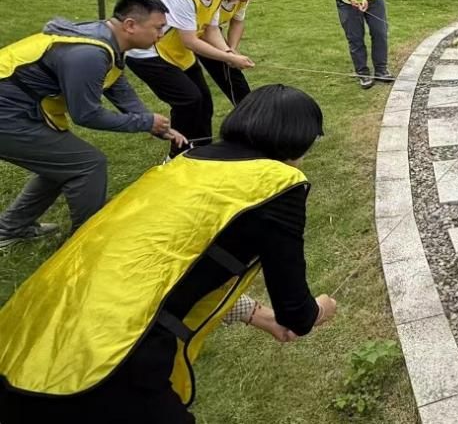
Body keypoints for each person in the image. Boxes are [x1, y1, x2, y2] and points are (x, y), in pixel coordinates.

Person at [0, 84, 339, 424]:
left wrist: (257, 315)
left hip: (22, 337)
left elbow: (171, 263)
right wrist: (318, 310)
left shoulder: (186, 165)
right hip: (99, 362)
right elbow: (296, 312)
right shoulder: (277, 185)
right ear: (298, 139)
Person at [0, 0, 187, 248]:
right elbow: (86, 114)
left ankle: (10, 229)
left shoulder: (105, 40)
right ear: (130, 25)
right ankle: (86, 244)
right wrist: (143, 123)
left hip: (20, 110)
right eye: (158, 28)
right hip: (7, 116)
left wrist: (155, 125)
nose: (161, 35)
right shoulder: (89, 54)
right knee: (87, 164)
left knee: (64, 163)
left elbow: (117, 85)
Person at [126, 0, 254, 157]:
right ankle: (177, 155)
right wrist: (230, 58)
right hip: (147, 54)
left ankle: (201, 152)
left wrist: (228, 51)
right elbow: (191, 41)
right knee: (188, 100)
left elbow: (211, 30)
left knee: (204, 101)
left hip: (176, 53)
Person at [199, 0, 267, 105]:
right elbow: (206, 30)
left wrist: (232, 49)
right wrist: (228, 54)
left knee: (231, 71)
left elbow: (237, 22)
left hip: (210, 32)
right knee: (194, 93)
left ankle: (246, 109)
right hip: (193, 35)